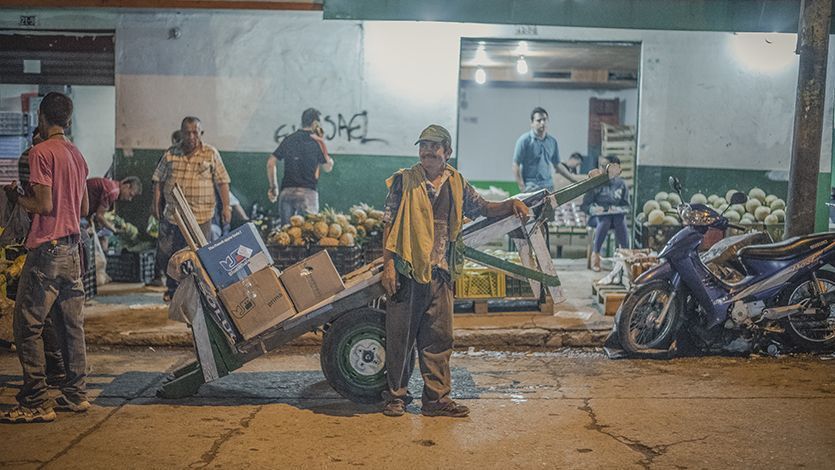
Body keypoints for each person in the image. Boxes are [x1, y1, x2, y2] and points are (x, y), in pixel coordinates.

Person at [381, 124, 529, 418]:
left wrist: (512, 203)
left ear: (447, 152)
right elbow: (388, 222)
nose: (427, 152)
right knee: (400, 338)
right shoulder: (404, 181)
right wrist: (388, 265)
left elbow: (484, 208)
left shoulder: (457, 183)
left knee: (439, 339)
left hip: (441, 272)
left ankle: (436, 400)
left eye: (434, 146)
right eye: (423, 146)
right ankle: (395, 398)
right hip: (408, 270)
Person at [1, 92, 90, 423]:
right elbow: (82, 209)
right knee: (71, 326)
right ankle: (76, 394)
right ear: (67, 119)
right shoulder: (77, 155)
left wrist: (17, 197)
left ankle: (36, 399)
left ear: (42, 117)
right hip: (73, 249)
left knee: (27, 325)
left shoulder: (41, 153)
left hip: (48, 249)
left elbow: (43, 205)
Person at [152, 117, 231, 301]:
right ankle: (172, 291)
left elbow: (222, 181)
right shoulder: (171, 153)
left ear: (201, 133)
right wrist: (155, 203)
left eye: (195, 132)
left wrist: (226, 207)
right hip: (173, 215)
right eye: (187, 132)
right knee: (168, 254)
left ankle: (198, 293)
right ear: (181, 133)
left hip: (201, 216)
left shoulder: (211, 153)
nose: (191, 136)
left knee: (198, 256)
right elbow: (158, 180)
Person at [266, 108, 334, 223]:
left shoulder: (289, 139)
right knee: (307, 235)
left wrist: (274, 187)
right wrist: (324, 147)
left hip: (286, 193)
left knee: (285, 237)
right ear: (315, 123)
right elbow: (327, 167)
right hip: (307, 195)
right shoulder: (318, 142)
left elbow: (270, 163)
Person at [582, 155, 630, 272]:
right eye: (601, 166)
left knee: (618, 218)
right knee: (605, 220)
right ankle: (596, 256)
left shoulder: (621, 184)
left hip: (616, 219)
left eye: (606, 166)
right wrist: (595, 209)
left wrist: (616, 209)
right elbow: (585, 206)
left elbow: (627, 206)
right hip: (597, 219)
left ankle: (625, 255)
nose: (602, 169)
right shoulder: (595, 183)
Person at [512, 107, 577, 193]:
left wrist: (574, 180)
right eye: (539, 120)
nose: (542, 123)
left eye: (545, 120)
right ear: (532, 123)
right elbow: (515, 165)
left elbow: (557, 165)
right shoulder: (524, 141)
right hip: (531, 188)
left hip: (548, 187)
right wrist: (522, 188)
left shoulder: (552, 142)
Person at [149, 130, 183, 287]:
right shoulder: (167, 157)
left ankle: (174, 282)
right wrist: (155, 204)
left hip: (184, 212)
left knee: (177, 247)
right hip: (166, 210)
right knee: (164, 246)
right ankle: (161, 275)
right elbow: (158, 183)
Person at [85, 176, 142, 252]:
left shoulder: (113, 187)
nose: (129, 199)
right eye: (130, 194)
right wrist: (113, 229)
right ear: (127, 186)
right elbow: (100, 216)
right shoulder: (113, 192)